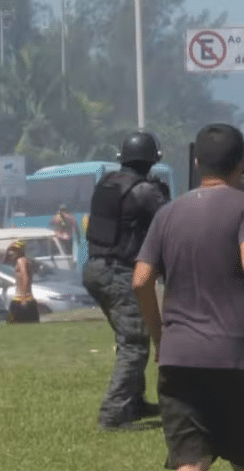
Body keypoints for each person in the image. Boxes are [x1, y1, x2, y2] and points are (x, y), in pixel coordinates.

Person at [134, 123, 244, 471]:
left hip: (180, 355)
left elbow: (141, 281)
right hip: (240, 353)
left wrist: (161, 337)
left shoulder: (166, 214)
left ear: (198, 162)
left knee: (189, 462)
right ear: (239, 165)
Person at [82, 130, 170, 431]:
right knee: (134, 342)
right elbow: (168, 220)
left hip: (94, 268)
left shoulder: (107, 183)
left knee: (129, 336)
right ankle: (113, 416)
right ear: (152, 159)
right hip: (117, 271)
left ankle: (133, 402)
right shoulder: (145, 191)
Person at [5, 240, 39, 323]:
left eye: (14, 250)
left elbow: (25, 277)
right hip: (26, 298)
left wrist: (23, 298)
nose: (11, 252)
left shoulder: (21, 261)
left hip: (21, 299)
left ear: (20, 251)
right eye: (11, 250)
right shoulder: (25, 260)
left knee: (13, 323)